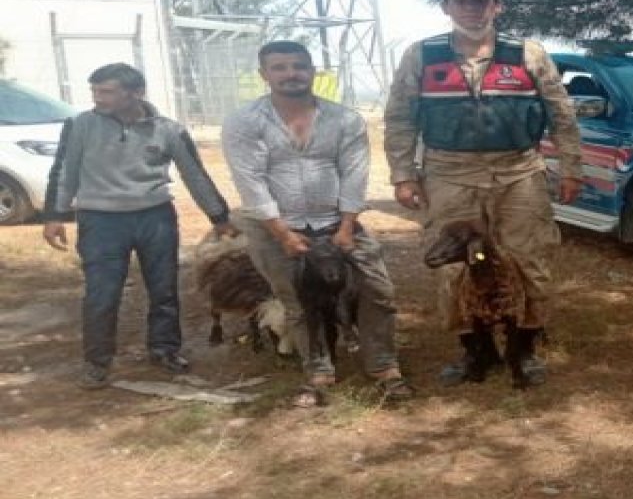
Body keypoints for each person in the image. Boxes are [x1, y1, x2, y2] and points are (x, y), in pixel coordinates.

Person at [383, 0, 583, 386]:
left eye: (481, 2)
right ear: (446, 7)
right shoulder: (422, 55)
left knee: (530, 260)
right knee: (454, 268)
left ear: (497, 6)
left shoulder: (528, 54)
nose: (472, 9)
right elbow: (400, 117)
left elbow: (561, 114)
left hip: (518, 173)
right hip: (449, 174)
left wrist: (571, 167)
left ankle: (524, 348)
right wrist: (403, 174)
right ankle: (476, 351)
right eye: (462, 2)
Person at [222, 41, 412, 406]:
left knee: (377, 291)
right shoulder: (244, 122)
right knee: (297, 300)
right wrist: (282, 234)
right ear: (264, 75)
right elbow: (251, 181)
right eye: (279, 67)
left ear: (312, 71)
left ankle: (383, 366)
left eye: (298, 66)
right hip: (274, 228)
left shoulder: (344, 119)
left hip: (336, 224)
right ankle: (319, 370)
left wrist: (346, 227)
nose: (290, 73)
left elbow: (354, 174)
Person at [42, 63, 235, 389]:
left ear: (136, 93)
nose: (97, 98)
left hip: (155, 217)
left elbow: (195, 174)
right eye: (94, 91)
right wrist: (54, 215)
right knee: (101, 294)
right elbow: (65, 170)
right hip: (100, 221)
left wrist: (219, 218)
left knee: (164, 290)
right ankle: (97, 362)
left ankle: (165, 349)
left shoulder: (168, 130)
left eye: (106, 91)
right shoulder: (80, 125)